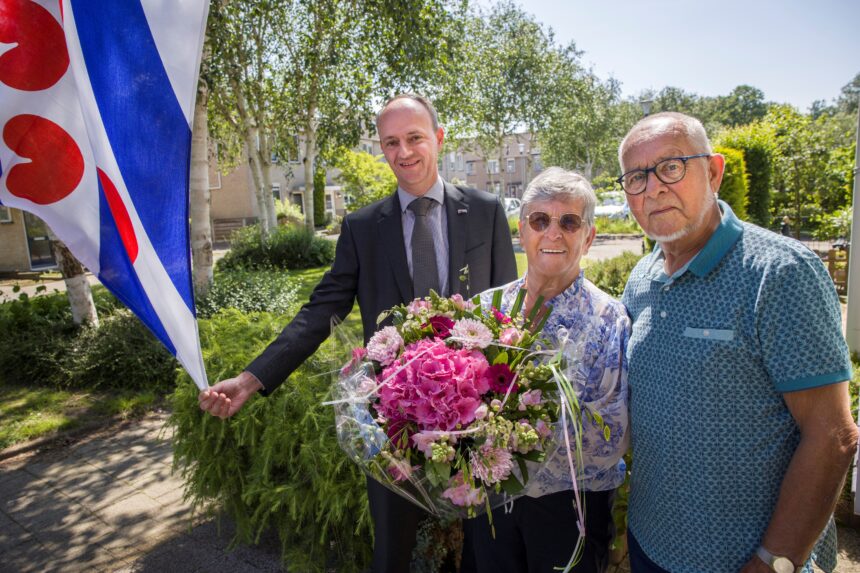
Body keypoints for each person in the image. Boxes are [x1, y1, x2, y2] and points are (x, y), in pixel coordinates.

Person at [198, 94, 518, 572]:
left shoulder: (485, 211)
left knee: (485, 552)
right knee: (392, 554)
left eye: (415, 137)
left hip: (478, 415)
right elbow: (320, 310)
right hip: (393, 421)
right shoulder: (363, 227)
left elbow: (508, 312)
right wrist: (250, 379)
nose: (404, 152)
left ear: (438, 138)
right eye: (390, 142)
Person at [617, 112, 858, 573]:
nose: (653, 188)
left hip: (744, 561)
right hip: (650, 544)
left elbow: (833, 436)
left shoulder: (780, 273)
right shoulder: (641, 278)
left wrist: (774, 561)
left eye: (671, 167)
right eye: (636, 177)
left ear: (713, 172)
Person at [469, 167, 630, 573]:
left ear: (588, 237)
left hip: (571, 508)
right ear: (521, 231)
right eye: (540, 220)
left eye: (569, 222)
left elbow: (610, 437)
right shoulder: (483, 310)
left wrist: (502, 435)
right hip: (492, 502)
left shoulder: (610, 320)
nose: (553, 233)